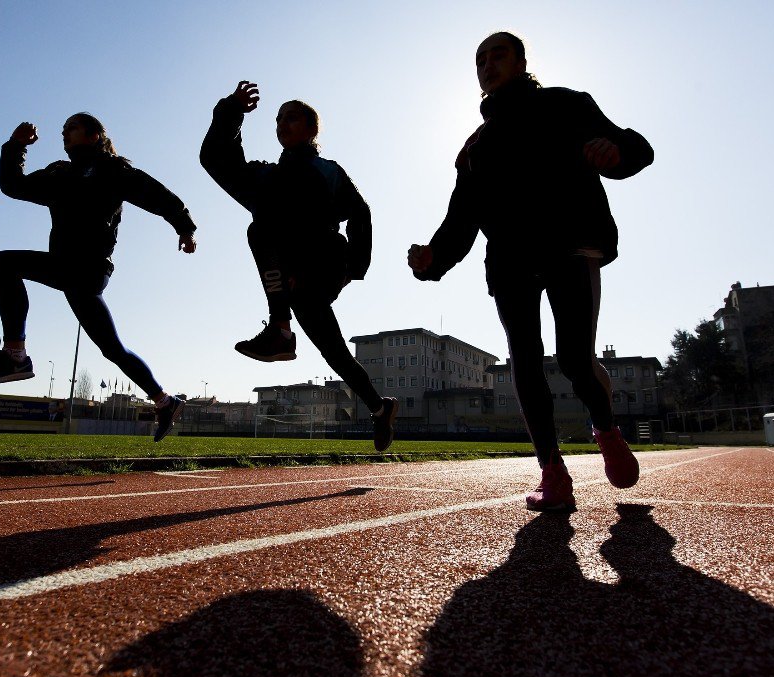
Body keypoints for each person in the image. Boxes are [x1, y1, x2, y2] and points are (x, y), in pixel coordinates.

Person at [408, 32, 654, 510]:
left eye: (497, 54)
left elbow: (631, 144)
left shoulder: (567, 105)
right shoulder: (476, 146)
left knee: (575, 361)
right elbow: (463, 215)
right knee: (523, 359)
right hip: (510, 260)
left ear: (522, 61)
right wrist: (434, 257)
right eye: (479, 59)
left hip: (570, 246)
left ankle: (605, 429)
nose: (487, 64)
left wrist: (616, 152)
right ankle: (552, 472)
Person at [0, 113, 195, 441]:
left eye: (71, 128)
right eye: (63, 130)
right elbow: (13, 186)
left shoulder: (113, 169)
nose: (64, 133)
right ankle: (165, 401)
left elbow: (155, 195)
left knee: (3, 263)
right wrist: (15, 147)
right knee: (113, 350)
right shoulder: (60, 173)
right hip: (68, 268)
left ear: (95, 135)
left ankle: (15, 355)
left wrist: (184, 226)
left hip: (88, 268)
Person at [201, 81, 398, 451]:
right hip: (288, 273)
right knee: (333, 350)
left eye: (290, 118)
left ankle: (279, 327)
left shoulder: (327, 171)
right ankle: (379, 406)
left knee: (260, 228)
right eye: (277, 119)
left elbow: (361, 213)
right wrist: (231, 112)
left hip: (323, 264)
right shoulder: (267, 177)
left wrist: (353, 267)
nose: (281, 124)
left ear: (311, 129)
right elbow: (217, 161)